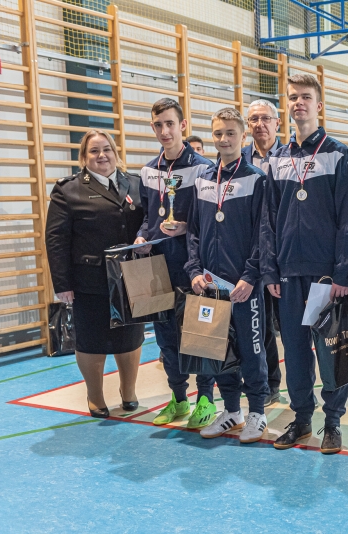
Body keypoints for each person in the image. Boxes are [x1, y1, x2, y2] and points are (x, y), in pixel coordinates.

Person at [261, 74, 348, 454]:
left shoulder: (338, 154)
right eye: (293, 97)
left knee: (331, 352)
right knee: (296, 353)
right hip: (288, 273)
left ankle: (332, 422)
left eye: (305, 97)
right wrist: (270, 269)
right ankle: (301, 419)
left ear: (319, 105)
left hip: (326, 274)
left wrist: (343, 272)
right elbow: (268, 218)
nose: (298, 102)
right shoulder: (277, 158)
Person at [45, 130, 145, 418]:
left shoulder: (135, 183)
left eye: (107, 149)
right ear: (84, 157)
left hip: (131, 277)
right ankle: (95, 396)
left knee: (130, 337)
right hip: (90, 280)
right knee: (91, 340)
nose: (102, 155)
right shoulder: (68, 190)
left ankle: (128, 391)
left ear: (115, 152)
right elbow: (56, 239)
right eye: (94, 151)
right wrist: (62, 283)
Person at [185, 107, 269, 444]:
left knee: (251, 351)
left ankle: (257, 412)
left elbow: (264, 233)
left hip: (244, 286)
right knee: (216, 350)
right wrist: (194, 271)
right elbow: (193, 231)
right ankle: (231, 410)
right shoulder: (203, 179)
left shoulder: (256, 179)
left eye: (231, 133)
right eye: (218, 133)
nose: (224, 139)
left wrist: (250, 276)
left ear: (243, 136)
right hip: (210, 286)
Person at [134, 98, 217, 429]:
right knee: (166, 337)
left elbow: (210, 220)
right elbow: (147, 217)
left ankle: (206, 399)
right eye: (158, 125)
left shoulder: (203, 168)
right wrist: (142, 236)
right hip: (158, 267)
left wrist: (186, 228)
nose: (164, 131)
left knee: (201, 334)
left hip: (193, 265)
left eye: (170, 123)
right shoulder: (148, 171)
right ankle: (179, 398)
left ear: (183, 125)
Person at [242, 99, 284, 407]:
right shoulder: (239, 158)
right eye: (254, 119)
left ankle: (304, 386)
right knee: (261, 324)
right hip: (251, 254)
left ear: (277, 123)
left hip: (284, 253)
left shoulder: (290, 156)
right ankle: (269, 382)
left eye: (266, 118)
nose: (260, 124)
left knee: (294, 327)